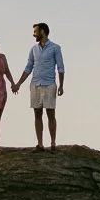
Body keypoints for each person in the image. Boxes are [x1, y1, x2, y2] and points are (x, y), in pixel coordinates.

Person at [11, 22, 65, 151]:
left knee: (51, 114)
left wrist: (61, 85)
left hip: (49, 84)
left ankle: (53, 143)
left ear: (42, 32)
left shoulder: (55, 48)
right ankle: (40, 144)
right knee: (37, 114)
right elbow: (28, 68)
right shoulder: (33, 49)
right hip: (35, 84)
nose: (33, 34)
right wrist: (18, 84)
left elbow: (61, 68)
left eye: (35, 31)